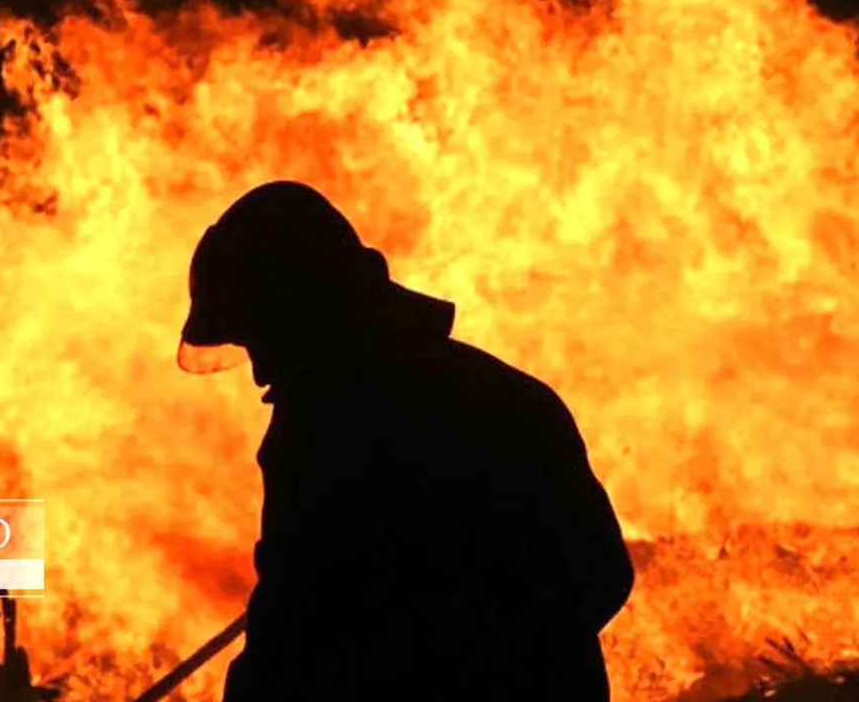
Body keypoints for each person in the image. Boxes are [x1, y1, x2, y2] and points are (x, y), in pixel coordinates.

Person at [177, 180, 635, 701]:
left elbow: (290, 641)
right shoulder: (509, 394)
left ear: (296, 313)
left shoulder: (323, 432)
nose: (258, 369)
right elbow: (604, 574)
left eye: (257, 336)